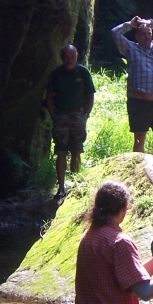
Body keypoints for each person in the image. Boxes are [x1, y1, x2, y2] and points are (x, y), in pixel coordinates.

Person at [111, 16, 153, 156]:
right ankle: (139, 166)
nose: (147, 37)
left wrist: (149, 22)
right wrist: (130, 24)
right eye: (143, 34)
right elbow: (114, 32)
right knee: (140, 139)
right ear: (137, 37)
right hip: (138, 102)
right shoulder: (130, 49)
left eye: (149, 33)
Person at [46, 44, 95, 199]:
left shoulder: (83, 72)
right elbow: (49, 96)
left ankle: (74, 187)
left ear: (77, 56)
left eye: (72, 57)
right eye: (66, 57)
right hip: (60, 116)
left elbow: (90, 95)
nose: (69, 60)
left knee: (76, 150)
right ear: (62, 57)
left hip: (78, 116)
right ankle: (61, 188)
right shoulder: (55, 73)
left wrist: (86, 114)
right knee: (61, 151)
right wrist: (54, 116)